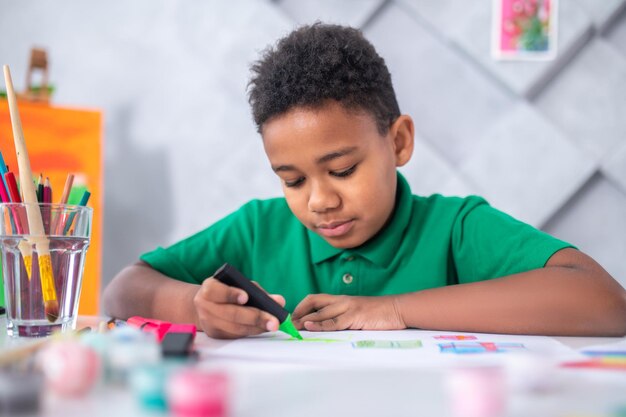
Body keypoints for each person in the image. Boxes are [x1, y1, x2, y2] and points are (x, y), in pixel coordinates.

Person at [103, 23, 626, 339]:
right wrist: (194, 305)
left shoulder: (454, 227)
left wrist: (392, 309)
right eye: (292, 179)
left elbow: (604, 303)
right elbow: (123, 290)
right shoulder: (257, 229)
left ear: (398, 142)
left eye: (343, 170)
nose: (320, 200)